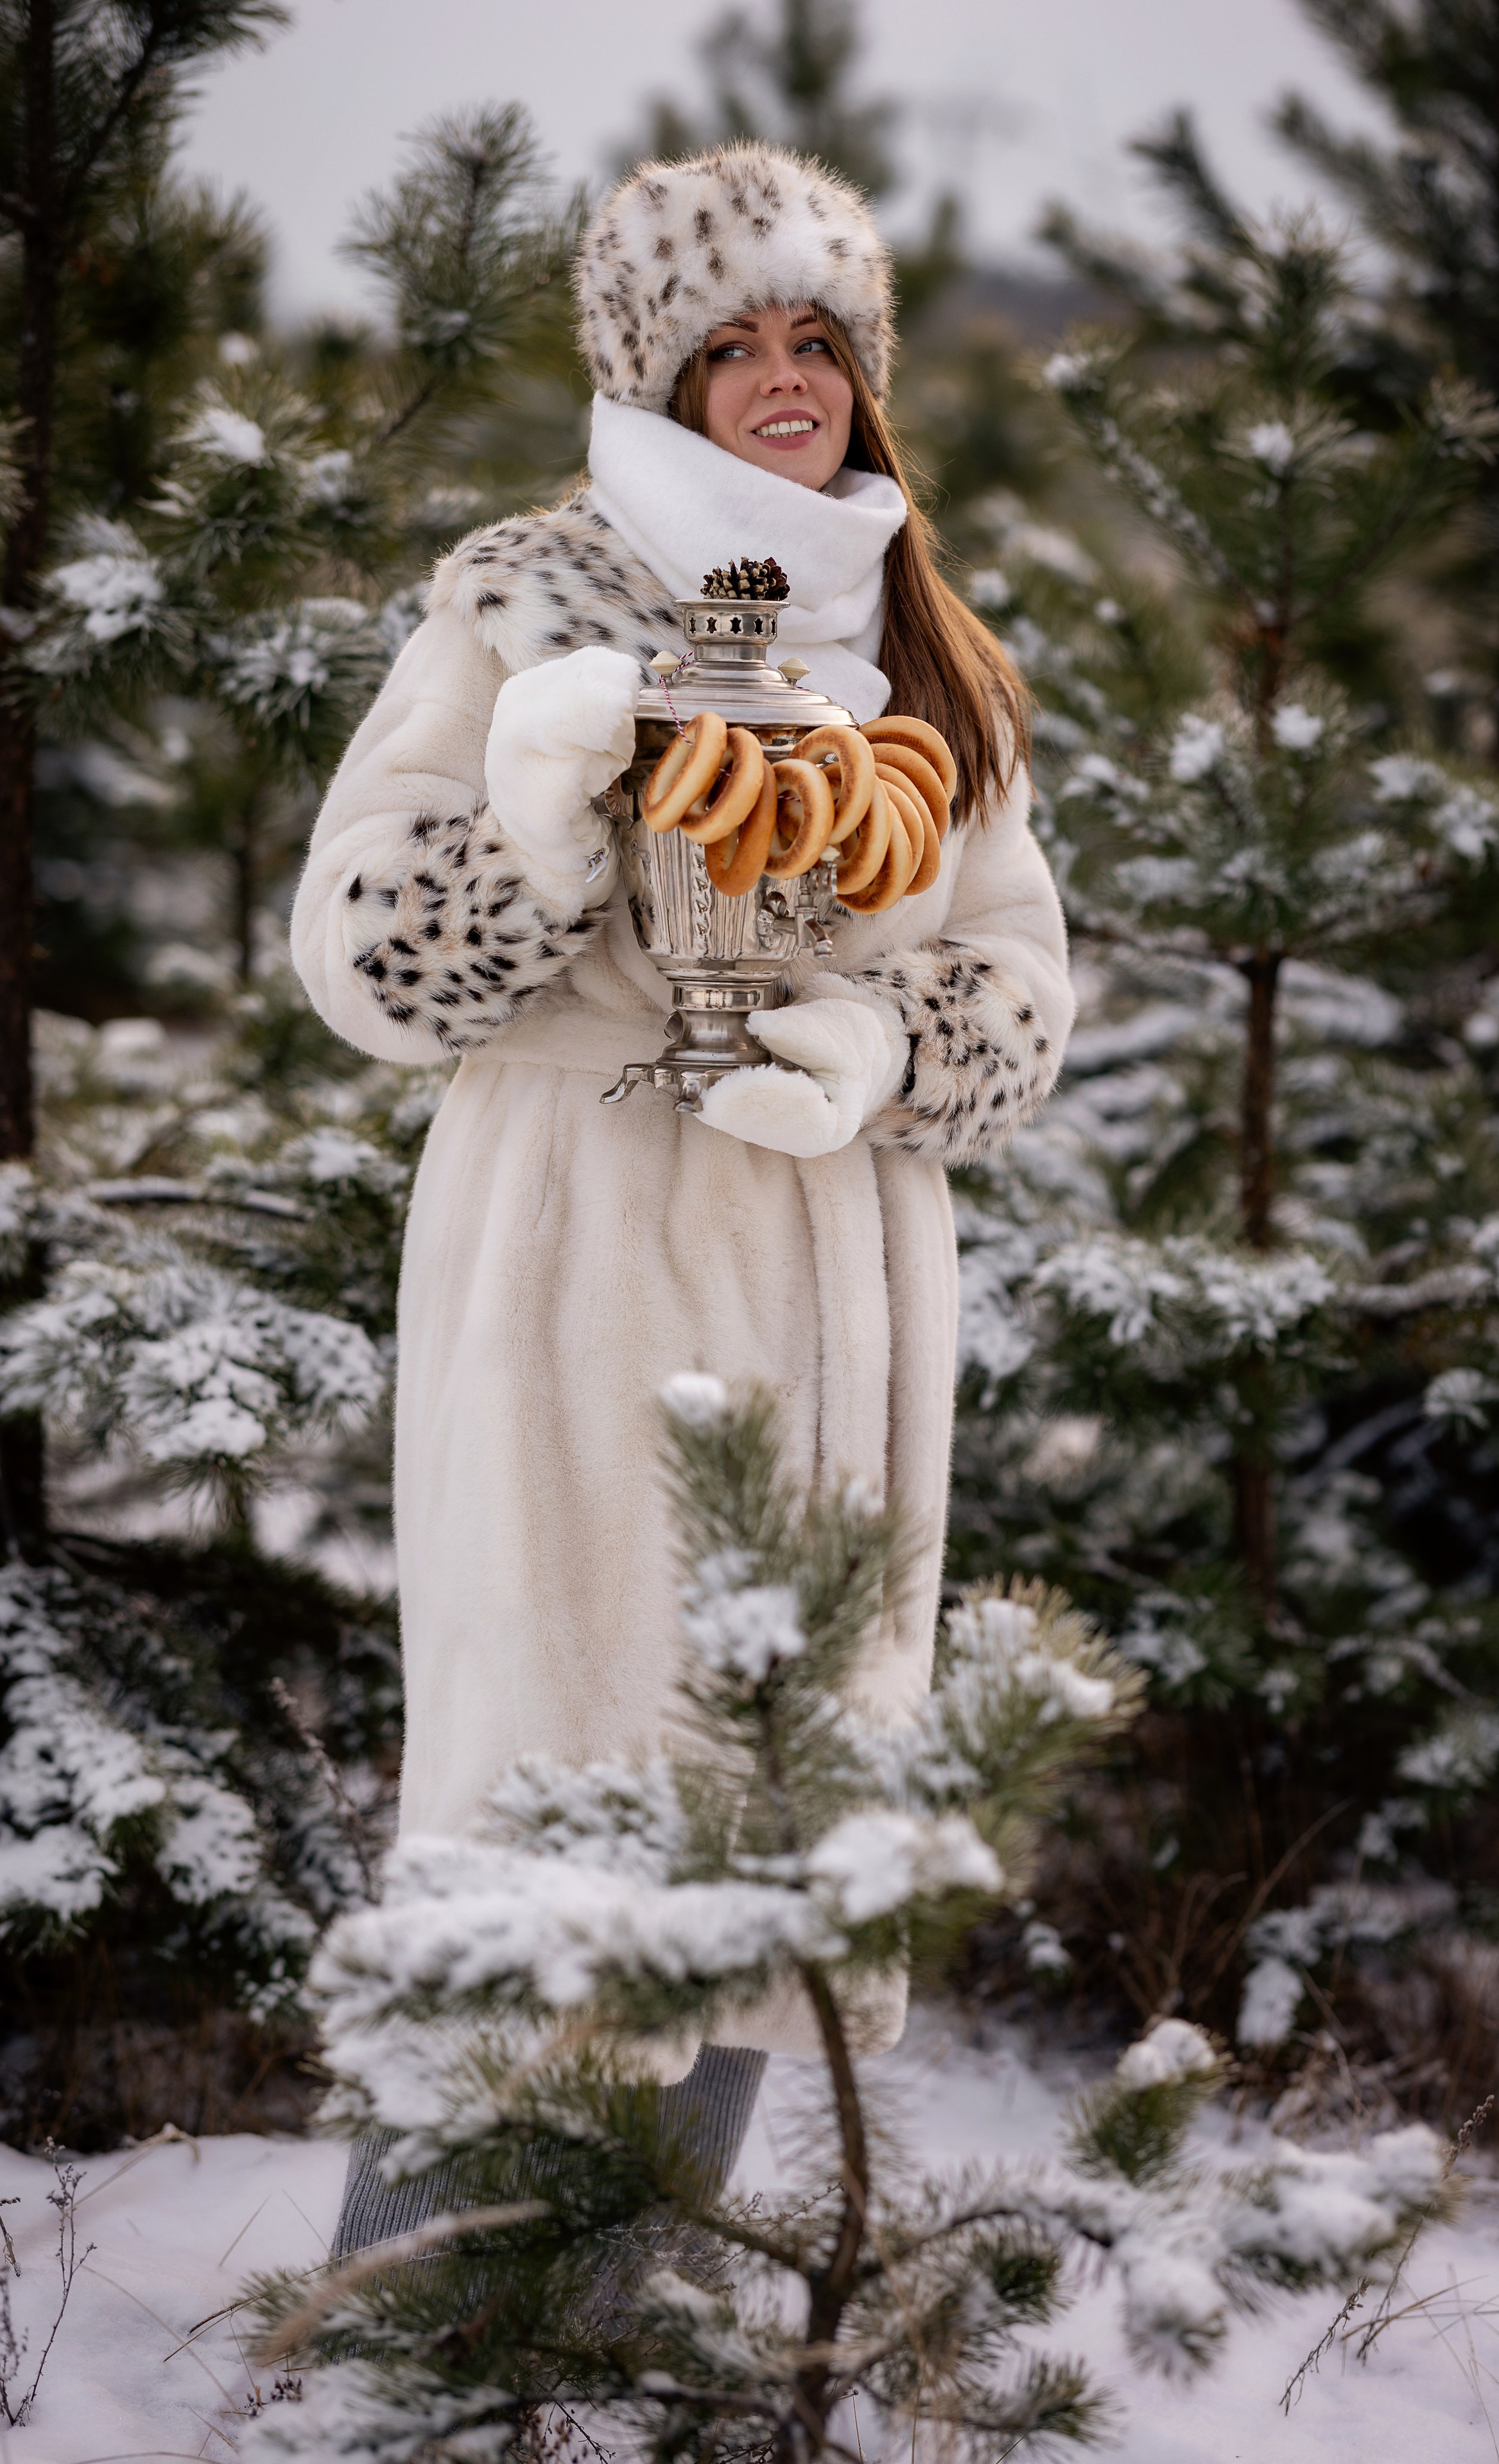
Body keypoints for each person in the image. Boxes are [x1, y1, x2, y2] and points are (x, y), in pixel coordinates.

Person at [293, 142, 1075, 2251]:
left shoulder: (922, 643)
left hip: (835, 1275)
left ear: (867, 370)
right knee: (545, 1797)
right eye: (729, 343)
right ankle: (412, 2326)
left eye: (817, 337)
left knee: (771, 1806)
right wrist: (538, 828)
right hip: (580, 1243)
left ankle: (626, 2319)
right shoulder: (519, 601)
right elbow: (360, 960)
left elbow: (1019, 976)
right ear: (656, 377)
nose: (782, 376)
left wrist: (889, 1054)